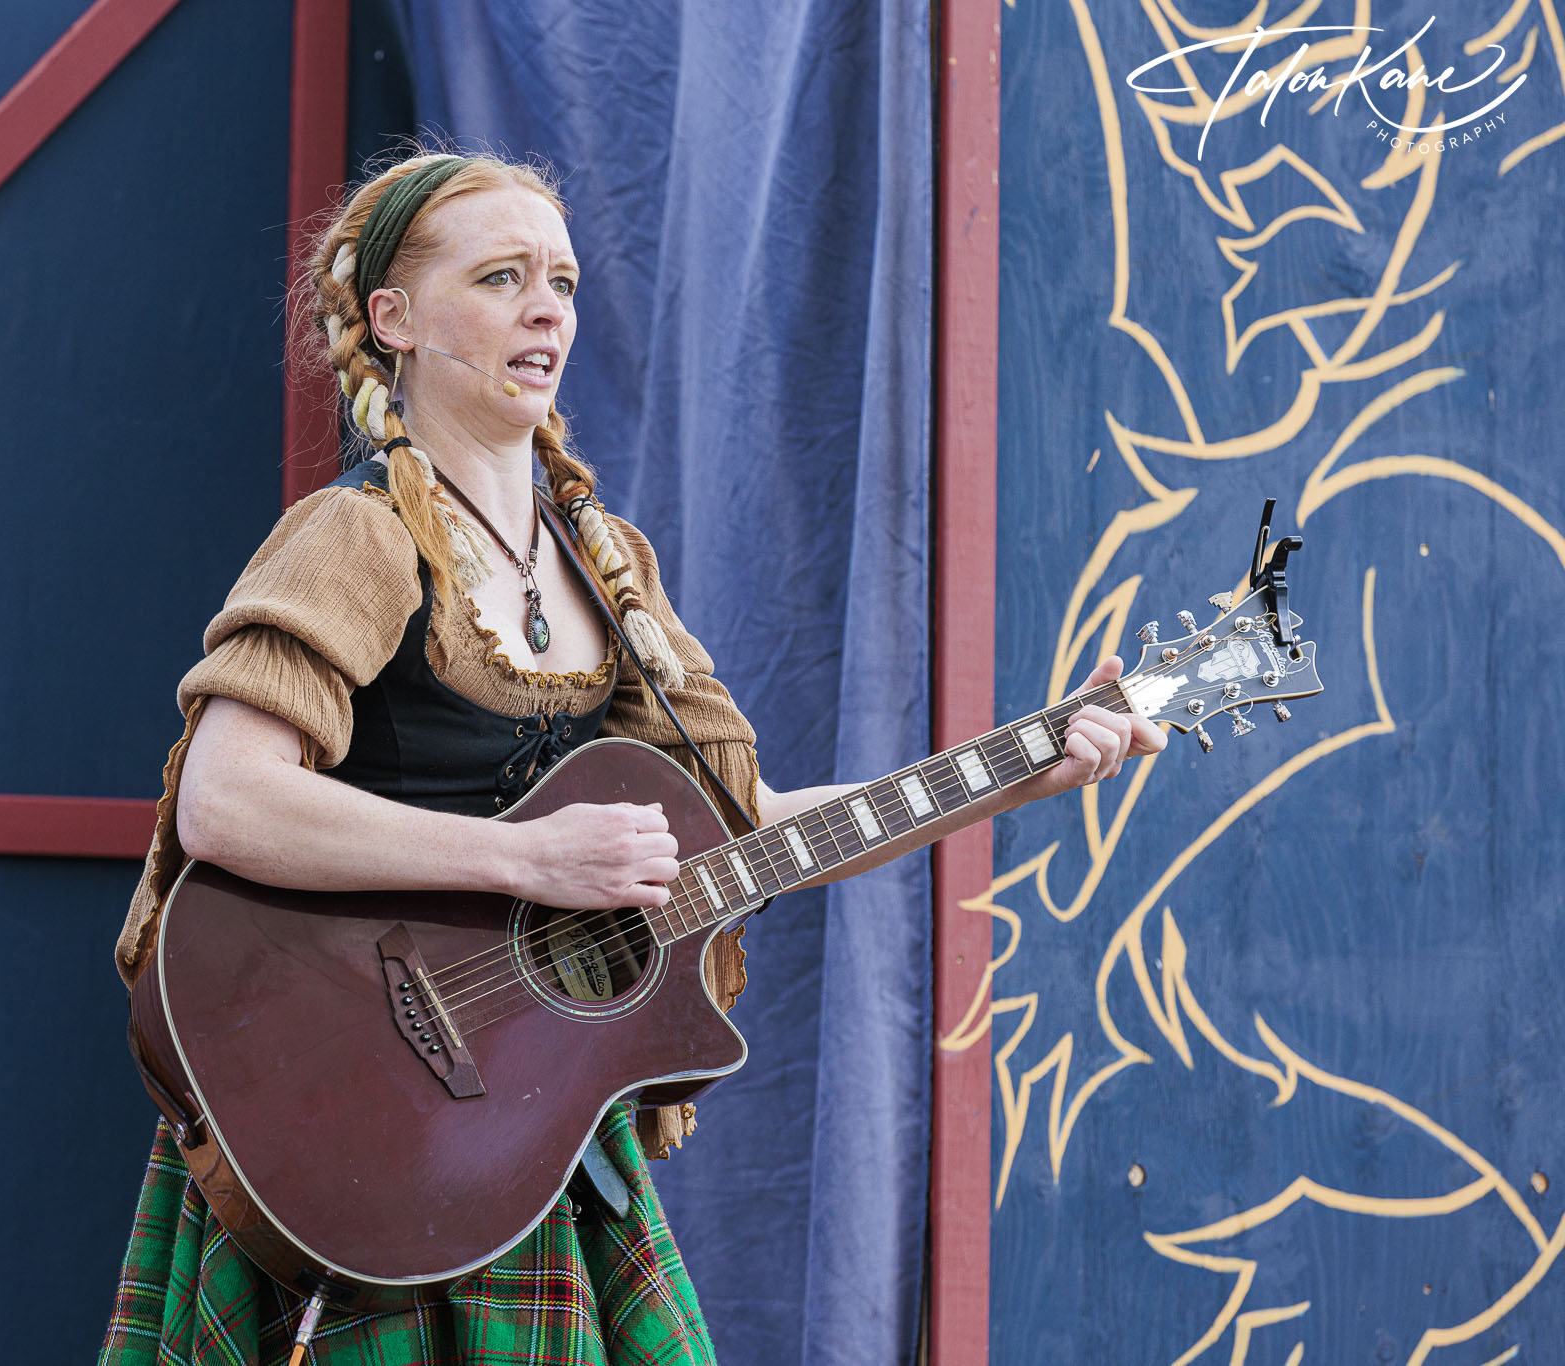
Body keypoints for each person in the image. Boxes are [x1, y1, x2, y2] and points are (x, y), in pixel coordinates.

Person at [97, 149, 1166, 1366]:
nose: (545, 309)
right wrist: (525, 859)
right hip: (353, 1110)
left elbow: (748, 827)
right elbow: (226, 802)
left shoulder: (608, 566)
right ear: (393, 320)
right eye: (499, 278)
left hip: (524, 1135)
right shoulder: (356, 535)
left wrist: (1023, 769)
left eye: (558, 280)